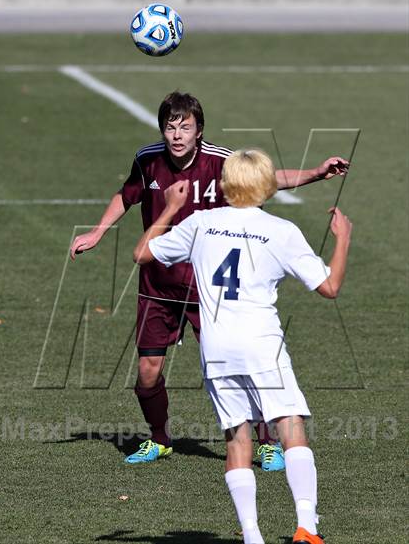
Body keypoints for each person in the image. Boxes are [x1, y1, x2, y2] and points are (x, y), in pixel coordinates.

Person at [70, 91, 349, 470]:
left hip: (209, 288)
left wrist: (316, 173)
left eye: (185, 127)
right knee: (148, 373)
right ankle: (160, 438)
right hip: (159, 285)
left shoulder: (220, 162)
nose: (177, 134)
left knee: (239, 366)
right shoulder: (147, 160)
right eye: (171, 126)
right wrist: (98, 232)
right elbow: (126, 195)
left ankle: (267, 443)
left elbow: (267, 180)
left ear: (199, 131)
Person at [133, 149, 352, 544]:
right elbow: (330, 287)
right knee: (290, 427)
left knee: (237, 438)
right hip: (261, 345)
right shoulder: (281, 230)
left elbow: (142, 253)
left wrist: (169, 209)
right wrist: (343, 241)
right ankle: (307, 527)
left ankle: (252, 537)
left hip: (217, 350)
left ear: (225, 184)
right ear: (267, 187)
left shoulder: (200, 222)